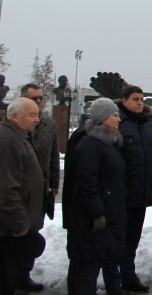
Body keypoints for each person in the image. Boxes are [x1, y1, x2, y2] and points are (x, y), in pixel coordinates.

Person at [66, 99, 127, 295]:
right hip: (89, 220)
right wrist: (97, 212)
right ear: (102, 119)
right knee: (85, 269)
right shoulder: (89, 143)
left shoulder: (109, 143)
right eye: (115, 115)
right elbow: (86, 183)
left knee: (93, 264)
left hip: (106, 214)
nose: (119, 119)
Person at [104, 86, 152, 293]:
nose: (140, 102)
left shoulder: (146, 125)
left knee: (132, 241)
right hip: (122, 194)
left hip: (140, 194)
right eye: (135, 99)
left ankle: (129, 276)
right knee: (116, 241)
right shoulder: (118, 125)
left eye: (142, 99)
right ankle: (112, 281)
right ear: (124, 101)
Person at [0, 98, 45, 295]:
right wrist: (19, 224)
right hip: (8, 230)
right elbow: (6, 189)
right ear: (15, 116)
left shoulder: (19, 136)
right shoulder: (9, 141)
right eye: (31, 115)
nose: (36, 120)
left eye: (37, 115)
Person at [20, 83, 60, 293]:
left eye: (41, 98)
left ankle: (25, 273)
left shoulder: (48, 124)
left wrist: (54, 183)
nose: (38, 102)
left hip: (41, 188)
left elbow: (54, 154)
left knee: (33, 230)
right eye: (34, 98)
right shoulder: (13, 125)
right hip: (18, 190)